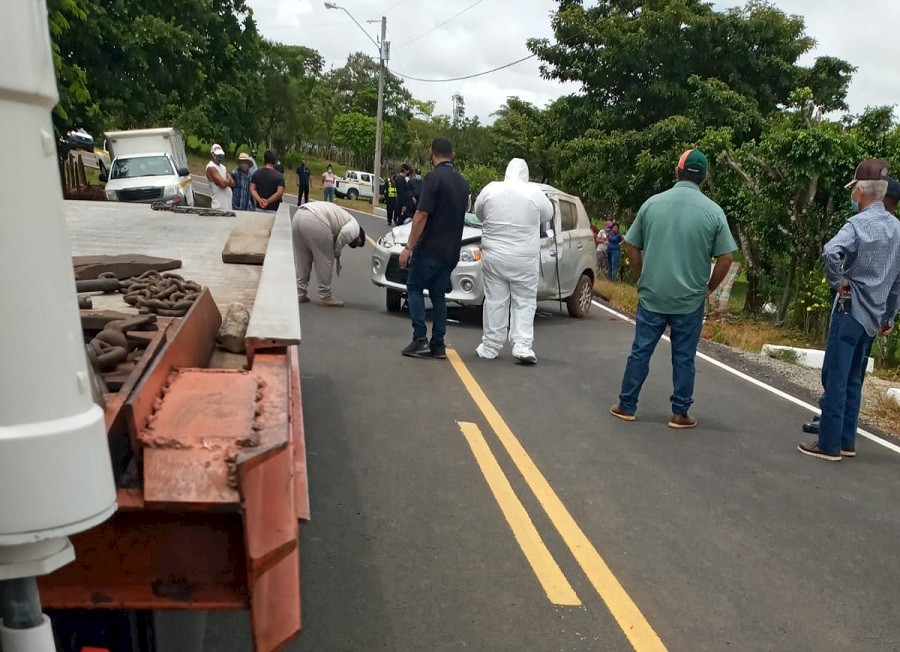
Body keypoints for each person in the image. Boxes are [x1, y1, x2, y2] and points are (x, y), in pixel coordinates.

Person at [610, 148, 737, 428]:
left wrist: (642, 276)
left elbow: (632, 244)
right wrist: (708, 289)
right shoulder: (714, 212)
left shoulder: (652, 204)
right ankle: (680, 413)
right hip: (690, 300)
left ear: (677, 171)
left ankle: (627, 405)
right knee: (684, 357)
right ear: (703, 177)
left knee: (640, 351)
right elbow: (726, 257)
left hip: (652, 294)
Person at [798, 159, 900, 462]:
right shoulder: (897, 228)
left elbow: (831, 250)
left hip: (850, 308)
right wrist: (888, 317)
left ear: (861, 190)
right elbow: (897, 282)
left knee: (836, 377)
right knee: (855, 378)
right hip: (874, 316)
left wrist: (837, 280)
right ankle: (846, 440)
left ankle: (828, 444)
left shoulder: (857, 224)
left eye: (854, 188)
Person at [474, 158, 553, 364]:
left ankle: (490, 346)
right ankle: (522, 346)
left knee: (495, 300)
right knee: (524, 301)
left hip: (494, 256)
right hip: (524, 258)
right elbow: (548, 214)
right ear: (526, 175)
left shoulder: (491, 189)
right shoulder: (534, 191)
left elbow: (479, 213)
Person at [398, 138, 470, 359]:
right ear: (453, 154)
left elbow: (421, 215)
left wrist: (409, 247)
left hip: (429, 248)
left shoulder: (433, 179)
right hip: (451, 251)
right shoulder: (462, 183)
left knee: (414, 287)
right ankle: (438, 344)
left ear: (432, 153)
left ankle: (420, 339)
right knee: (439, 295)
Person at [291, 201, 366, 307]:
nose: (354, 244)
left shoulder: (343, 217)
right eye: (358, 243)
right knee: (325, 258)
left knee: (302, 258)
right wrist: (337, 251)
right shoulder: (355, 226)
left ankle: (299, 293)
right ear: (360, 236)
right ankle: (325, 295)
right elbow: (345, 234)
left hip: (299, 215)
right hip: (316, 219)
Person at [205, 144, 234, 210]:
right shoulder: (211, 167)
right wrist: (228, 180)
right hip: (219, 205)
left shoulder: (223, 167)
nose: (220, 157)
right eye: (217, 155)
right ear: (212, 154)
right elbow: (222, 184)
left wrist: (227, 180)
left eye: (221, 155)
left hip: (227, 204)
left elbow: (233, 183)